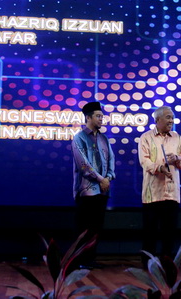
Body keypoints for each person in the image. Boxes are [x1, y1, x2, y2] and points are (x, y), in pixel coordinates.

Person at [138, 106, 181, 262]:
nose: (171, 121)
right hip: (152, 193)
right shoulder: (146, 137)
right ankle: (148, 264)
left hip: (171, 193)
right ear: (157, 120)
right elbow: (144, 161)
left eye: (172, 117)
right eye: (168, 117)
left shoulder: (177, 138)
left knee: (169, 233)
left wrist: (177, 159)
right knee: (150, 233)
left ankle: (167, 264)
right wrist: (159, 167)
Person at [71, 101, 116, 269]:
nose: (101, 119)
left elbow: (111, 160)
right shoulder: (79, 138)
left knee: (97, 228)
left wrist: (108, 177)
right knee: (84, 228)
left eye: (102, 116)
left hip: (103, 191)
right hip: (86, 191)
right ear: (88, 118)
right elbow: (83, 165)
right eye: (98, 116)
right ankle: (79, 261)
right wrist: (101, 179)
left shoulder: (104, 139)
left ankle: (90, 259)